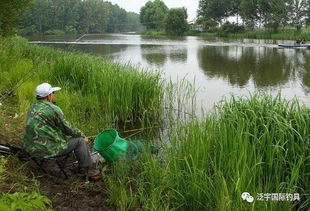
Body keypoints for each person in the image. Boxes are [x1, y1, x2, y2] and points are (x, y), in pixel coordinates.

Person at [23, 82, 101, 181]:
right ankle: (90, 172)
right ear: (48, 96)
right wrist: (82, 135)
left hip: (30, 148)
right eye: (53, 93)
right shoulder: (53, 109)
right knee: (80, 141)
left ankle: (83, 161)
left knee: (68, 138)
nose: (54, 95)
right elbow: (67, 128)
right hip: (46, 150)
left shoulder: (33, 107)